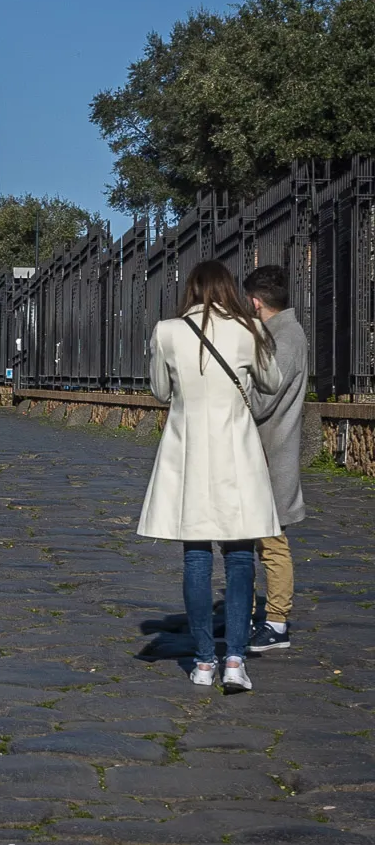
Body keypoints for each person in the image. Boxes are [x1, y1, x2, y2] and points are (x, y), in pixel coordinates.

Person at [137, 260, 282, 693]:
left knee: (196, 557)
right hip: (237, 456)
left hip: (188, 458)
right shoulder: (248, 330)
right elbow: (272, 382)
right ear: (229, 288)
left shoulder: (167, 331)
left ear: (192, 289)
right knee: (240, 558)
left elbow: (160, 392)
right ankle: (235, 660)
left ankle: (203, 662)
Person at [243, 265, 308, 652]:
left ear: (255, 301)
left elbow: (263, 399)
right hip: (265, 451)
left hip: (271, 451)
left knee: (271, 540)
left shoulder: (284, 338)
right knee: (255, 538)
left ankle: (277, 622)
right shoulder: (280, 333)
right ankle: (252, 615)